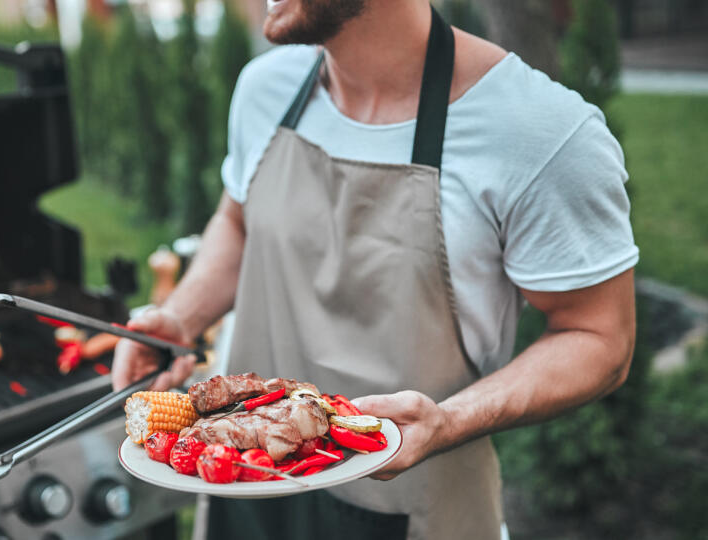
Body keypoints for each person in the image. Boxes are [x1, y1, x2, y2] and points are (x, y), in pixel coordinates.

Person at [112, 0, 638, 538]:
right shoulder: (263, 88)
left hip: (415, 506)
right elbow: (239, 221)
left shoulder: (541, 132)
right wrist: (182, 316)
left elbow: (598, 336)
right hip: (244, 485)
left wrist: (450, 421)